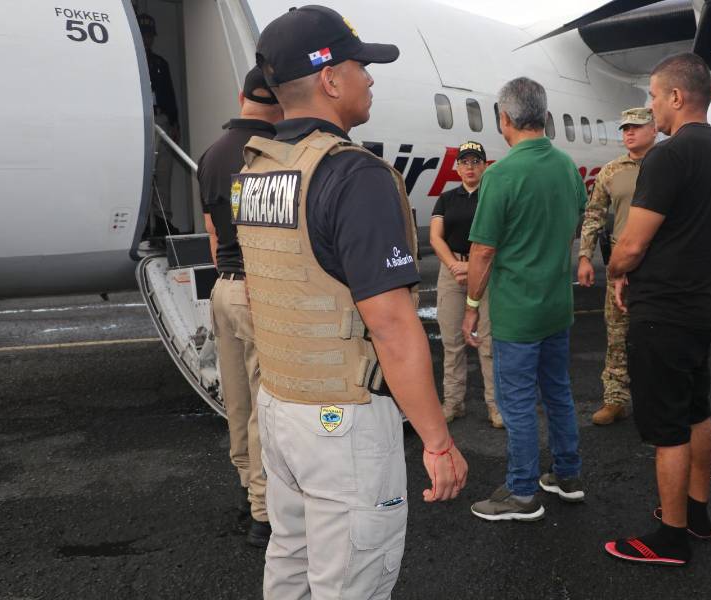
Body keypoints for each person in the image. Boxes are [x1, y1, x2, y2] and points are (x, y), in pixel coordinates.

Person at [244, 6, 468, 597]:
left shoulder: (260, 169)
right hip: (340, 421)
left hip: (281, 404)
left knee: (291, 563)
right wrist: (438, 441)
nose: (369, 78)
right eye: (360, 66)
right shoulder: (353, 174)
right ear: (330, 79)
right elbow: (391, 325)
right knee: (350, 582)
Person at [604, 53, 711, 566]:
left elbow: (633, 243)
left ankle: (671, 537)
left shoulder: (668, 155)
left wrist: (616, 270)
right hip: (701, 306)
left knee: (667, 429)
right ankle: (696, 513)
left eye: (655, 96)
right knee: (696, 409)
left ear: (677, 97)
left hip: (663, 312)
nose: (651, 105)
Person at [463, 77, 587, 522]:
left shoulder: (501, 174)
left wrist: (472, 307)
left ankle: (520, 493)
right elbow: (574, 227)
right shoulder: (567, 167)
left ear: (505, 119)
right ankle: (567, 475)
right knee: (558, 393)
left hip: (518, 312)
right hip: (557, 307)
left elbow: (483, 251)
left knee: (516, 403)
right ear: (545, 116)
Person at [197, 66, 283, 550]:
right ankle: (265, 513)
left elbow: (214, 233)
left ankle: (249, 488)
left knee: (238, 402)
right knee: (265, 404)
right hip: (259, 288)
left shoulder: (211, 154)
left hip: (224, 287)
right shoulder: (274, 152)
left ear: (241, 97)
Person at [578, 108, 657, 426]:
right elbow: (594, 214)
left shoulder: (667, 166)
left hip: (659, 265)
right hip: (622, 266)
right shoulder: (611, 171)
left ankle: (657, 399)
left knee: (657, 335)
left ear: (654, 129)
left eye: (636, 126)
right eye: (625, 128)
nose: (629, 133)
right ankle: (615, 399)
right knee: (616, 335)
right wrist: (585, 257)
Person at [430, 141, 502, 428]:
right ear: (457, 168)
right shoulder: (446, 199)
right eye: (464, 162)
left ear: (485, 166)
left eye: (475, 161)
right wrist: (453, 265)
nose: (470, 167)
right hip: (452, 273)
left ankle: (495, 406)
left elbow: (500, 238)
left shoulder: (493, 196)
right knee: (452, 343)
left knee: (488, 343)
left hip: (485, 271)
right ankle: (453, 403)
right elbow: (436, 237)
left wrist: (471, 266)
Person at [138, 13, 179, 238]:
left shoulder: (160, 63)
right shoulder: (131, 61)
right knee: (143, 174)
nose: (147, 39)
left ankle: (163, 222)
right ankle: (142, 225)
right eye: (143, 34)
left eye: (149, 35)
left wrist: (175, 123)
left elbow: (170, 96)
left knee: (163, 173)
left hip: (161, 119)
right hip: (141, 121)